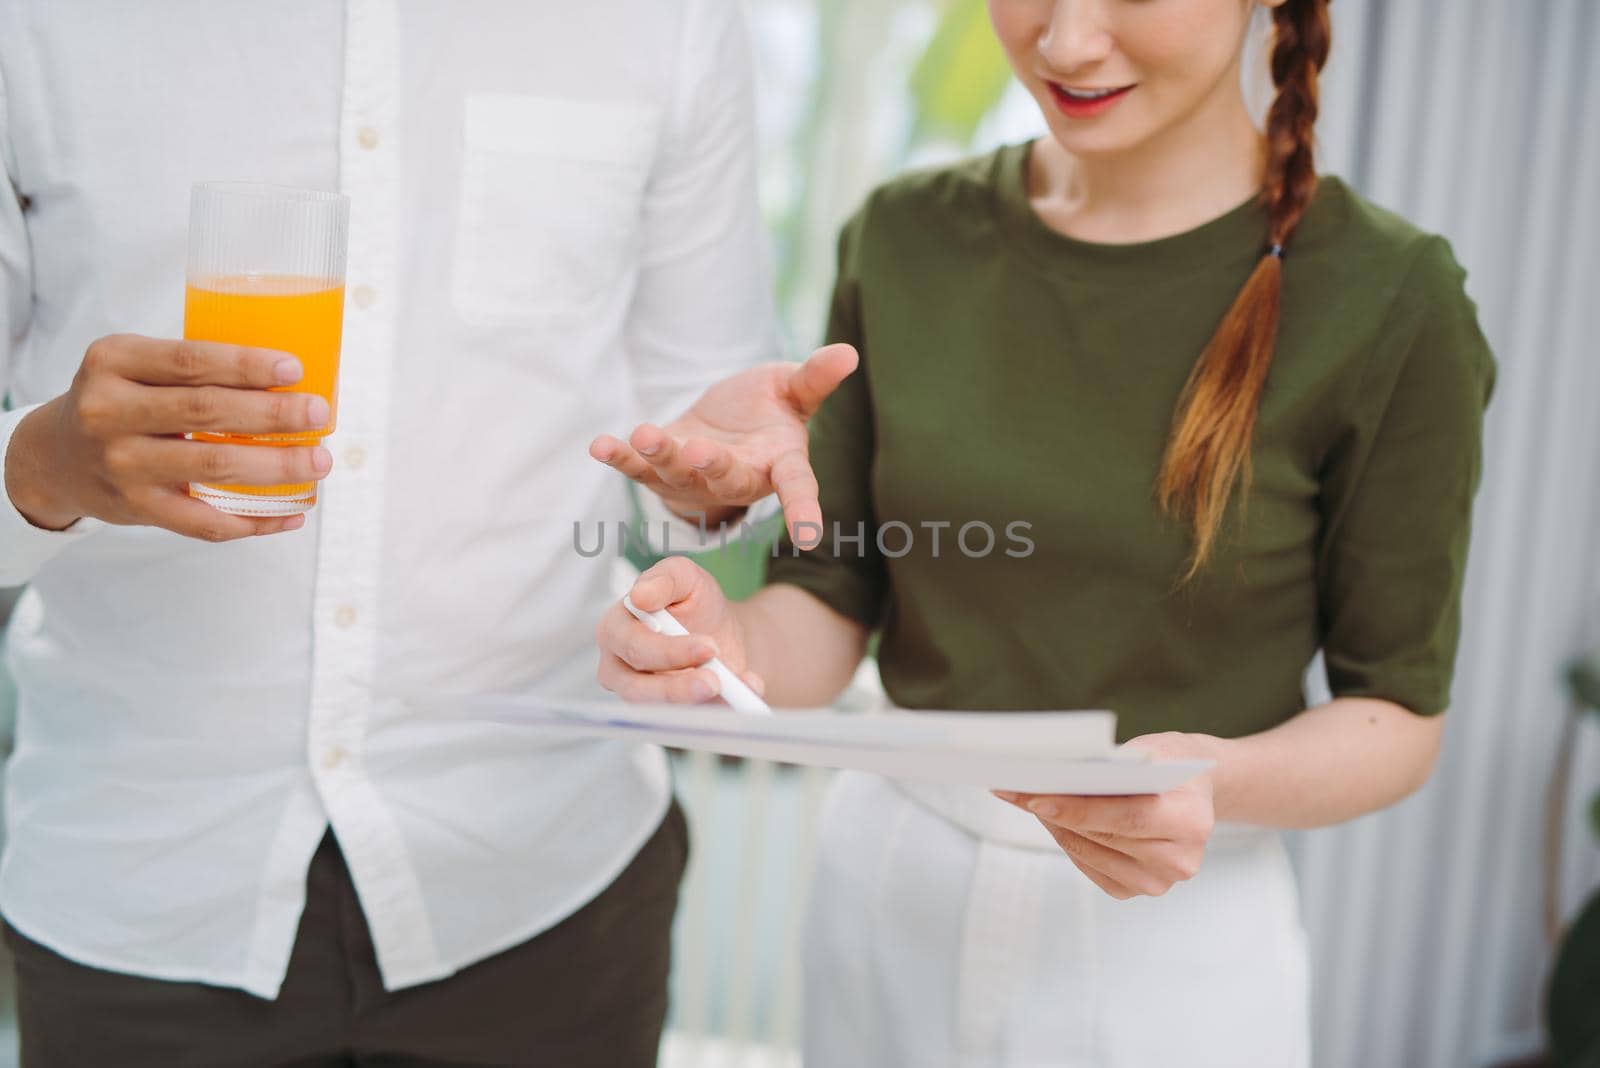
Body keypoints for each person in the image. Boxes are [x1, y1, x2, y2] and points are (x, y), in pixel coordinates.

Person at [595, 0, 1496, 1063]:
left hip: (1170, 945)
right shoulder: (905, 236)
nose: (1065, 42)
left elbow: (1394, 715)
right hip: (885, 903)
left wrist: (1207, 781)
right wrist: (732, 648)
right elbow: (831, 598)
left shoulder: (1388, 296)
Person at [0, 2, 851, 1064]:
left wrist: (707, 486)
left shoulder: (668, 22)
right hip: (143, 888)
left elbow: (689, 432)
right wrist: (43, 464)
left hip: (547, 889)